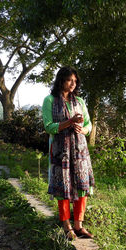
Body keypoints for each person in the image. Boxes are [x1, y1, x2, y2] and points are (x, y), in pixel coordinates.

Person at [42, 66, 95, 240]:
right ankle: (67, 225)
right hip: (60, 151)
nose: (73, 84)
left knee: (81, 186)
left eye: (75, 81)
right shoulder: (50, 100)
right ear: (61, 81)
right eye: (69, 80)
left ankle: (79, 225)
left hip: (79, 150)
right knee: (62, 187)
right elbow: (49, 126)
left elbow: (89, 125)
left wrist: (83, 129)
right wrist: (69, 122)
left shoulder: (79, 101)